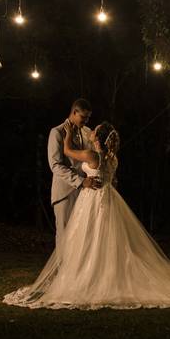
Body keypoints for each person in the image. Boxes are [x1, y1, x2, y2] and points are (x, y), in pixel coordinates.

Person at [3, 121, 170, 310]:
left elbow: (66, 152)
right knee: (108, 239)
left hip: (92, 199)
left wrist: (68, 135)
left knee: (88, 238)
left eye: (94, 132)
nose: (91, 131)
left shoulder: (93, 156)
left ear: (97, 139)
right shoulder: (112, 158)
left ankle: (90, 278)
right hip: (108, 198)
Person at [48, 99, 102, 246]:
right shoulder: (57, 132)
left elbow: (93, 159)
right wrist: (80, 181)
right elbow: (55, 165)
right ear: (74, 112)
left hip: (86, 192)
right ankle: (63, 269)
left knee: (82, 236)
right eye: (83, 117)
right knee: (65, 235)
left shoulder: (88, 132)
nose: (86, 121)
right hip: (65, 191)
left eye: (88, 118)